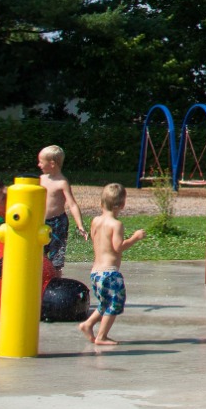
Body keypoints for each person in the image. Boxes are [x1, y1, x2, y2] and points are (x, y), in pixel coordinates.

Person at [80, 184, 146, 345]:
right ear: (121, 205)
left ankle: (88, 324)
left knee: (105, 302)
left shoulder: (95, 221)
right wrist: (135, 237)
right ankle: (101, 336)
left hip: (95, 272)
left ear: (101, 202)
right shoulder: (116, 225)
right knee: (115, 302)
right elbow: (118, 247)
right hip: (109, 273)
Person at [38, 145, 87, 274]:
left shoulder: (62, 182)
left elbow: (72, 204)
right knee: (38, 255)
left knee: (56, 260)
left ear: (52, 164)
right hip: (40, 222)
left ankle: (56, 282)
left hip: (58, 223)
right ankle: (41, 282)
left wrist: (80, 225)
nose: (38, 165)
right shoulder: (40, 180)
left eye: (41, 162)